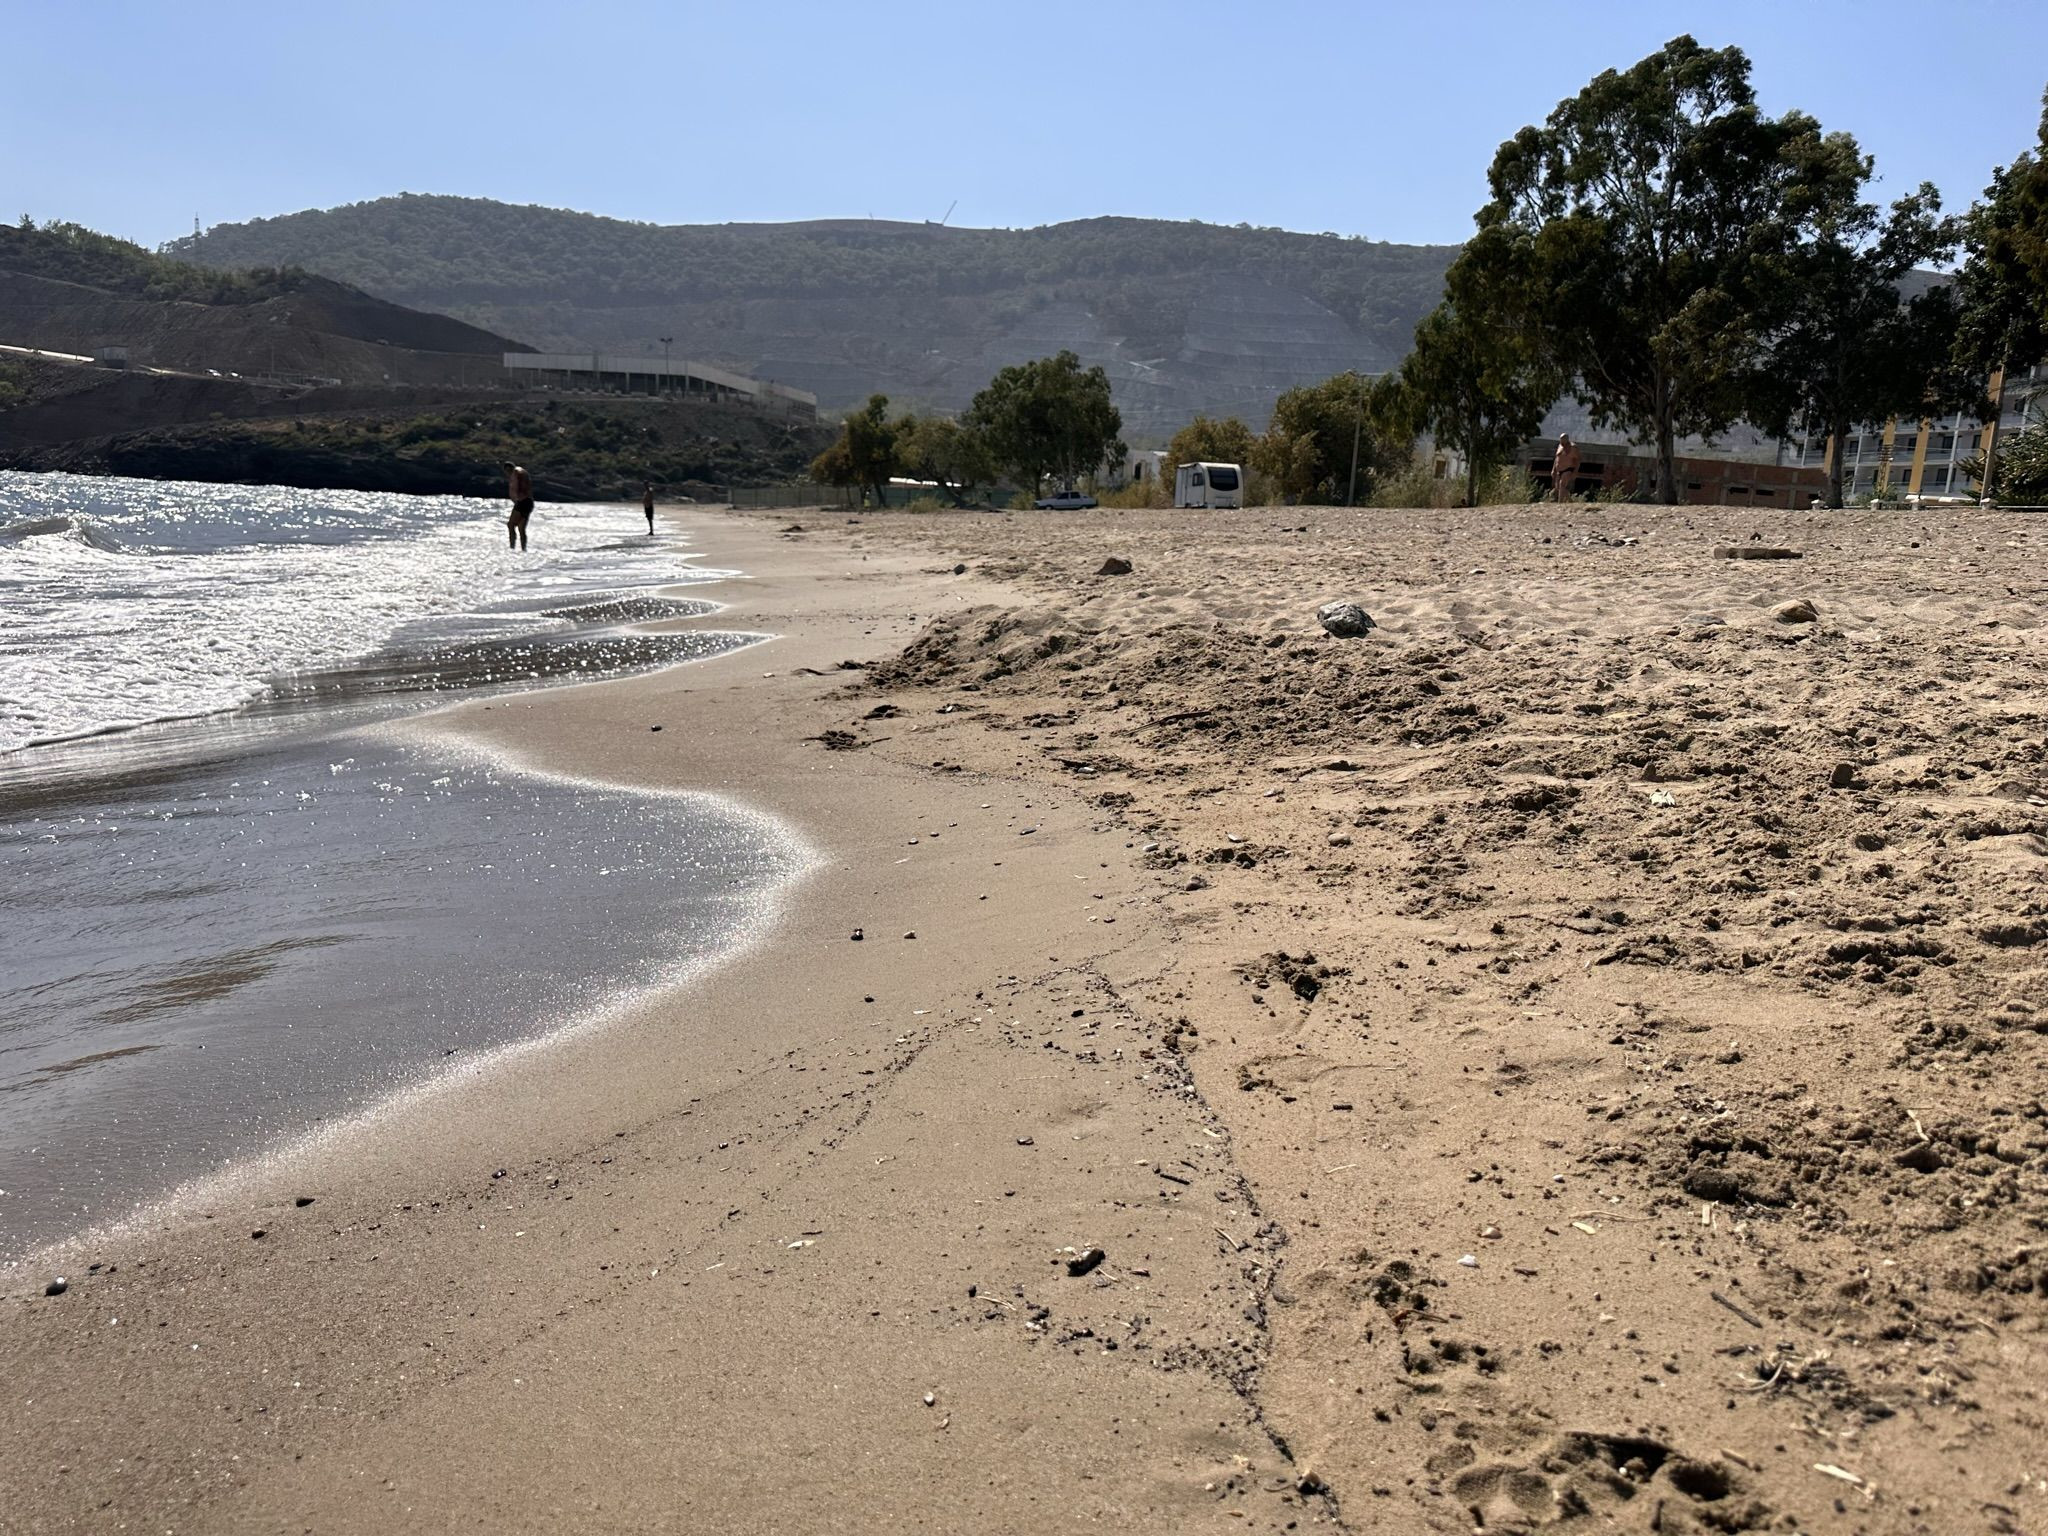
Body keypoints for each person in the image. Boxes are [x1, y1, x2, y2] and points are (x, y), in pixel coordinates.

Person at [503, 462, 534, 550]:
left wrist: (517, 498)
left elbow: (517, 487)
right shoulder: (522, 472)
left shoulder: (516, 473)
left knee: (511, 524)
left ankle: (512, 548)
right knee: (521, 528)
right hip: (529, 502)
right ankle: (523, 550)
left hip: (522, 502)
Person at [1551, 434, 1582, 503]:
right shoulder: (1560, 446)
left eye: (1563, 439)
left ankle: (1560, 502)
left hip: (1568, 469)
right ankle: (1570, 501)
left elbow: (1578, 460)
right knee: (1558, 487)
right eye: (1560, 439)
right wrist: (1553, 469)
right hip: (1559, 470)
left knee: (1562, 485)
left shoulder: (1573, 447)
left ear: (1567, 439)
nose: (1561, 441)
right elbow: (1556, 458)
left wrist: (1575, 472)